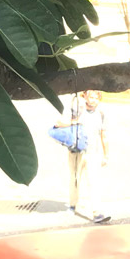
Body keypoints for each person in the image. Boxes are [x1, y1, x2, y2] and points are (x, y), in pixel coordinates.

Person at [49, 90, 110, 223]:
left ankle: (97, 212)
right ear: (85, 97)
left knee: (94, 181)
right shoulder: (77, 110)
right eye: (91, 96)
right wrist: (75, 121)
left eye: (96, 97)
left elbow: (104, 136)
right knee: (75, 179)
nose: (93, 100)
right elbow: (58, 123)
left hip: (93, 152)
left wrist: (106, 155)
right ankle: (72, 206)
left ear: (99, 99)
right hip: (76, 152)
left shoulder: (101, 114)